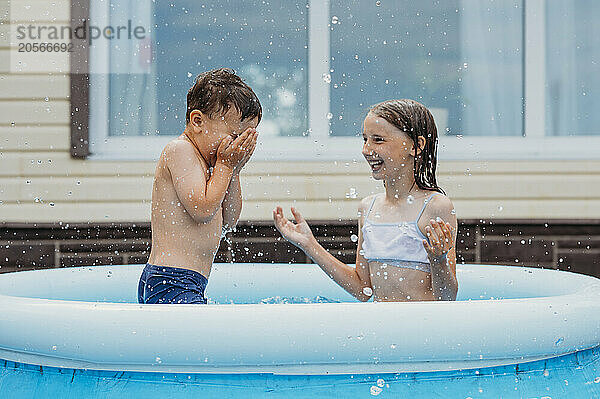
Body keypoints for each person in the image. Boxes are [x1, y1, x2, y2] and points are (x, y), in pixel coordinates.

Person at [274, 99, 458, 302]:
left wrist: (438, 260)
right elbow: (363, 289)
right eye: (365, 139)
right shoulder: (369, 207)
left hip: (420, 329)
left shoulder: (435, 207)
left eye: (378, 140)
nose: (366, 149)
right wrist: (310, 245)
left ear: (416, 146)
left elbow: (447, 299)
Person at [138, 68, 261, 304]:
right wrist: (225, 166)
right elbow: (203, 210)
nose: (237, 147)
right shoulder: (181, 151)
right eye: (234, 136)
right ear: (197, 121)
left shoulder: (212, 165)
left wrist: (234, 171)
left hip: (186, 281)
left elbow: (230, 219)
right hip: (171, 280)